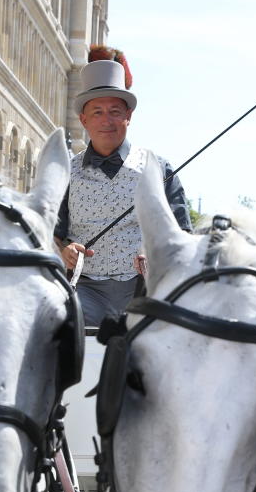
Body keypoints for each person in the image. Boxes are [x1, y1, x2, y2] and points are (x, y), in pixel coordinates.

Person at [55, 48, 191, 325]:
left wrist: (155, 252)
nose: (107, 120)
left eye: (115, 112)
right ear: (84, 120)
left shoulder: (159, 168)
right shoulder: (65, 172)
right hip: (84, 291)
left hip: (144, 293)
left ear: (128, 116)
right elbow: (51, 234)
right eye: (98, 112)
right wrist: (63, 251)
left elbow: (183, 236)